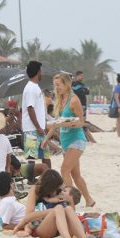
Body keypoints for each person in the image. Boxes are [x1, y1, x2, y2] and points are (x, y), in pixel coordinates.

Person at [47, 73, 95, 207]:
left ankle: (69, 201)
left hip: (77, 140)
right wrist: (46, 139)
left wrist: (67, 124)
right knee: (75, 175)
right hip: (65, 141)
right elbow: (57, 123)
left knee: (64, 170)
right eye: (55, 85)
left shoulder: (74, 100)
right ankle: (89, 200)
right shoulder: (59, 100)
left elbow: (81, 122)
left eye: (58, 85)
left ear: (66, 84)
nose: (56, 88)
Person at [14, 170, 92, 238]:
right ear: (49, 188)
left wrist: (70, 201)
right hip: (42, 227)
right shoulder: (36, 190)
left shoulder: (60, 189)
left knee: (68, 208)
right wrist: (51, 211)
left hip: (61, 229)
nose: (57, 191)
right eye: (55, 189)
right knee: (58, 208)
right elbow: (28, 217)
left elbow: (71, 213)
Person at [21, 61, 51, 168]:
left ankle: (49, 178)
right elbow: (30, 108)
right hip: (31, 129)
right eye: (41, 71)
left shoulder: (35, 87)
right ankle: (31, 179)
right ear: (37, 72)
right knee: (31, 157)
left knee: (45, 155)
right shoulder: (30, 88)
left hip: (39, 129)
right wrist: (38, 127)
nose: (41, 73)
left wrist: (42, 126)